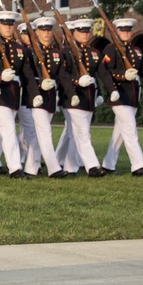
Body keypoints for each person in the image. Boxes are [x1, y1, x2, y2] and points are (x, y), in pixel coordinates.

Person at [101, 18, 143, 176]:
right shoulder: (110, 49)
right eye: (122, 30)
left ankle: (108, 164)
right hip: (119, 95)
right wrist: (123, 75)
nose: (126, 33)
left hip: (133, 95)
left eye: (128, 30)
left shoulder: (135, 50)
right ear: (116, 31)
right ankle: (138, 166)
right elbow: (106, 72)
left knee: (120, 132)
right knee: (130, 129)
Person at [0, 9, 37, 178]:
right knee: (9, 130)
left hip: (14, 95)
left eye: (10, 25)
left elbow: (27, 74)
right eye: (4, 24)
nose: (8, 28)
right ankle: (15, 168)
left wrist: (34, 93)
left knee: (1, 132)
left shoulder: (20, 49)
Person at [55, 18, 112, 177]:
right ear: (73, 33)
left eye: (87, 31)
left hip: (88, 99)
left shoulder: (94, 52)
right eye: (81, 31)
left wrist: (106, 91)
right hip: (72, 99)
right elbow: (61, 75)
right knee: (83, 133)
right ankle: (92, 166)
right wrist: (76, 81)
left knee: (76, 134)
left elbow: (102, 74)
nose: (85, 34)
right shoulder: (66, 52)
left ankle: (70, 166)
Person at [19, 17, 68, 177]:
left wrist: (71, 94)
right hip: (36, 97)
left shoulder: (56, 53)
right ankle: (54, 169)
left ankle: (30, 168)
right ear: (37, 32)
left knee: (40, 134)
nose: (46, 33)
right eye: (43, 30)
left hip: (50, 95)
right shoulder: (29, 52)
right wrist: (39, 86)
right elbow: (26, 75)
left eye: (48, 30)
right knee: (45, 132)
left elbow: (62, 75)